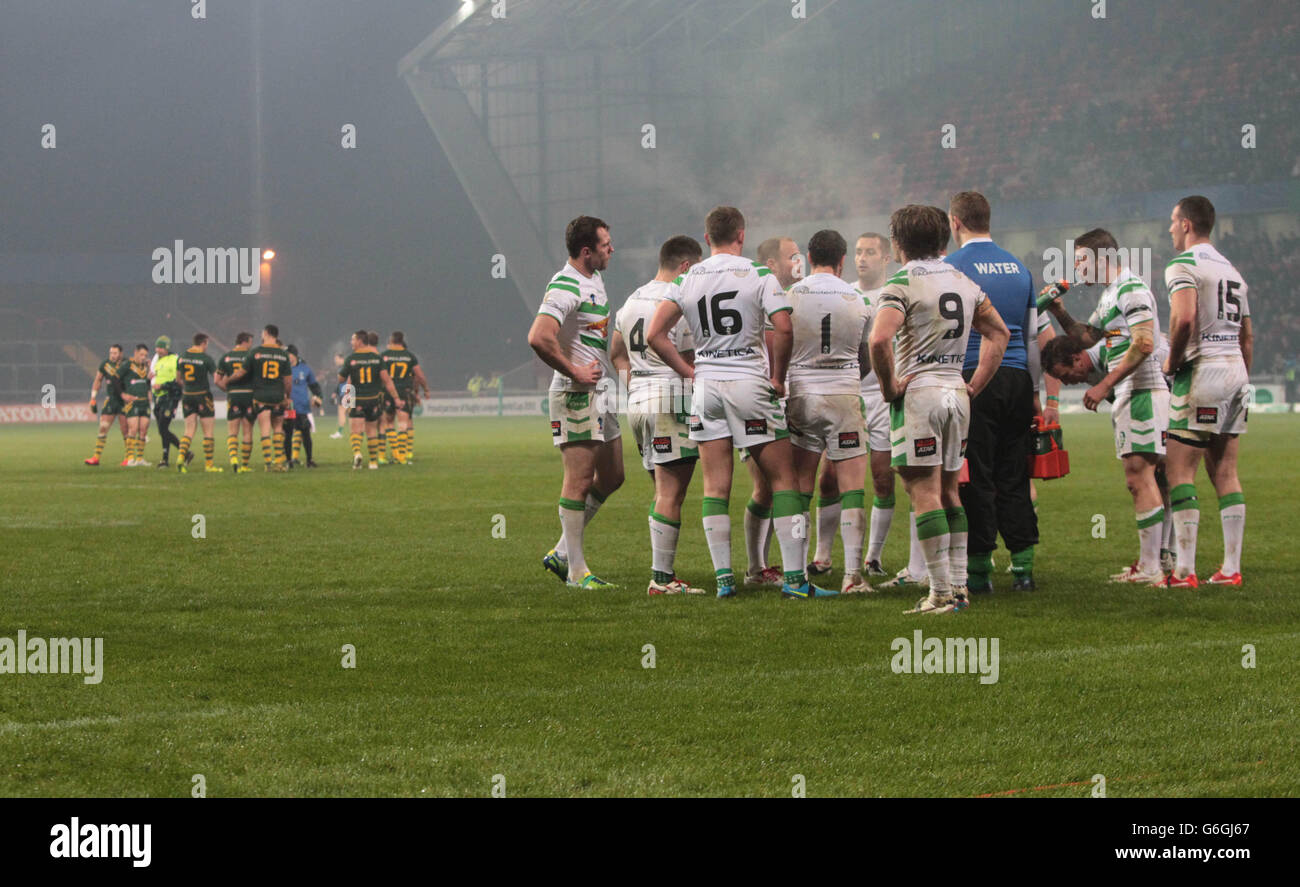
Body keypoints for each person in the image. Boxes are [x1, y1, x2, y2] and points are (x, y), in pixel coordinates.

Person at [648, 206, 831, 599]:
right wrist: (778, 377)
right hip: (748, 380)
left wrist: (687, 370)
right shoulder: (758, 274)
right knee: (783, 481)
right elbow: (783, 326)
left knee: (716, 486)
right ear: (741, 236)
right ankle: (797, 581)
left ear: (707, 235)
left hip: (707, 386)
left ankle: (724, 581)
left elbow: (654, 333)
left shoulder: (689, 277)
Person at [871, 205, 1009, 614]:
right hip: (955, 392)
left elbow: (879, 340)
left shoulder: (902, 280)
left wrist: (889, 387)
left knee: (923, 491)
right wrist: (975, 383)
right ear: (942, 241)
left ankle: (940, 594)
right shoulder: (965, 281)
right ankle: (959, 587)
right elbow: (998, 333)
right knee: (951, 490)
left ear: (897, 243)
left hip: (920, 394)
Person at [1040, 228, 1168, 582]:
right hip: (1131, 393)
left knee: (1139, 476)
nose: (1079, 269)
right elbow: (1086, 338)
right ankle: (1155, 562)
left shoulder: (1131, 289)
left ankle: (1151, 567)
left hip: (1141, 390)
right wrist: (1060, 312)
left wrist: (1104, 385)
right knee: (1146, 477)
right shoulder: (1112, 294)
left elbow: (1143, 344)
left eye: (1082, 260)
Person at [944, 190, 1038, 593]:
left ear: (955, 223)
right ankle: (1024, 568)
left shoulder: (951, 267)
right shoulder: (1020, 268)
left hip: (975, 376)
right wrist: (1036, 394)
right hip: (1018, 377)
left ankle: (979, 572)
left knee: (977, 476)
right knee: (1015, 474)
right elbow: (1032, 338)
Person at [527, 216, 624, 588]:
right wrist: (573, 371)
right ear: (586, 252)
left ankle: (561, 552)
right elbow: (539, 336)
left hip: (600, 393)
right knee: (579, 479)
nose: (611, 249)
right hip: (575, 394)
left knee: (613, 476)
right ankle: (576, 572)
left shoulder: (593, 278)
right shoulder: (565, 285)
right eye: (605, 245)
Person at [1160, 195, 1252, 587]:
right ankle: (1231, 568)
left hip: (1203, 369)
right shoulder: (1233, 271)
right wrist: (1241, 377)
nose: (1169, 229)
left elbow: (1183, 320)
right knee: (1227, 471)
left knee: (1179, 469)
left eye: (1172, 221)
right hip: (1236, 370)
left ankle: (1184, 570)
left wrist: (1171, 363)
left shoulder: (1183, 265)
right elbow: (1248, 337)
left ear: (1186, 224)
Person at [610, 234, 705, 595]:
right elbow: (691, 355)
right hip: (670, 398)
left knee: (662, 490)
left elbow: (616, 351)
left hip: (638, 402)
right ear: (685, 266)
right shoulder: (679, 300)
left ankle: (664, 572)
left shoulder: (633, 298)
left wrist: (632, 384)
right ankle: (662, 580)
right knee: (671, 492)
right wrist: (690, 376)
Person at [784, 229, 874, 595]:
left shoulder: (790, 296)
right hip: (843, 396)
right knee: (852, 488)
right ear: (842, 260)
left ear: (807, 256)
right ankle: (853, 575)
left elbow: (777, 347)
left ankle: (797, 573)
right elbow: (865, 359)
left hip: (802, 394)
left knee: (799, 488)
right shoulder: (858, 298)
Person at [742, 235, 803, 586]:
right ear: (771, 265)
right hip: (760, 399)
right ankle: (756, 567)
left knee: (779, 484)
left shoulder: (794, 296)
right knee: (767, 485)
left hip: (783, 400)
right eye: (790, 256)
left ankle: (770, 565)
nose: (798, 261)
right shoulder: (758, 298)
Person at [226, 325, 292, 471]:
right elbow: (288, 380)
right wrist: (287, 396)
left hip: (261, 396)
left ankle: (268, 463)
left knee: (265, 429)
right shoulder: (283, 355)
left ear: (266, 333)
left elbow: (241, 372)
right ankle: (280, 461)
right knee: (278, 429)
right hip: (277, 396)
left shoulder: (256, 352)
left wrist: (229, 380)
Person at [339, 330, 404, 470]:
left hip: (357, 398)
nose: (351, 343)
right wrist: (396, 398)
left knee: (355, 429)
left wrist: (347, 398)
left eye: (353, 340)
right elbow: (387, 381)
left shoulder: (351, 359)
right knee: (372, 430)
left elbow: (342, 379)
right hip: (373, 399)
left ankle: (357, 453)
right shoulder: (377, 359)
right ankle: (373, 462)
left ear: (360, 341)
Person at [380, 331, 430, 465]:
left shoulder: (384, 356)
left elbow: (379, 375)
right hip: (404, 392)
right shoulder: (409, 356)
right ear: (402, 341)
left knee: (389, 423)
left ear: (391, 340)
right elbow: (419, 376)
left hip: (388, 392)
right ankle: (402, 456)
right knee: (403, 424)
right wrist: (425, 389)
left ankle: (395, 454)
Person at [175, 333, 222, 473]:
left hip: (187, 395)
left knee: (189, 430)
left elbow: (178, 379)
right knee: (208, 432)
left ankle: (180, 458)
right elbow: (216, 378)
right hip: (202, 395)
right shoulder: (206, 359)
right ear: (204, 343)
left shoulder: (182, 357)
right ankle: (209, 465)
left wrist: (188, 387)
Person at [215, 332, 255, 472]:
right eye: (250, 342)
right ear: (245, 342)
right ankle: (244, 465)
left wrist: (228, 390)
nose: (251, 345)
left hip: (234, 396)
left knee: (232, 431)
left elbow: (216, 380)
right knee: (247, 431)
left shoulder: (226, 357)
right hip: (249, 396)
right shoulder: (251, 356)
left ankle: (233, 458)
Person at [85, 344, 128, 466]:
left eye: (115, 353)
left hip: (124, 400)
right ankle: (96, 457)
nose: (112, 356)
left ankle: (128, 458)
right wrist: (93, 397)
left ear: (121, 353)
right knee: (103, 427)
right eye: (111, 353)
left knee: (125, 430)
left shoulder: (128, 364)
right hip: (111, 400)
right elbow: (98, 379)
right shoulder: (105, 364)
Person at [286, 345, 323, 468]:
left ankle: (309, 460)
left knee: (306, 433)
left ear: (294, 355)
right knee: (288, 433)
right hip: (289, 408)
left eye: (289, 354)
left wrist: (318, 397)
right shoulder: (283, 369)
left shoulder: (305, 369)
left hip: (302, 408)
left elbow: (314, 386)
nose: (287, 357)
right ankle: (288, 461)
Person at [149, 335, 182, 467]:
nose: (158, 350)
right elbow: (154, 379)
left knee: (163, 428)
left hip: (171, 397)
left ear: (167, 348)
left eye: (161, 347)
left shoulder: (175, 359)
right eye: (157, 347)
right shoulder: (157, 361)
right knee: (162, 430)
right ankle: (165, 460)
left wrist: (163, 386)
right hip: (159, 398)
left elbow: (178, 381)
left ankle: (183, 452)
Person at [119, 344, 154, 467]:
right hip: (132, 402)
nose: (143, 357)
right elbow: (115, 379)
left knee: (143, 431)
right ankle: (129, 459)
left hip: (145, 402)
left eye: (145, 355)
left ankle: (139, 459)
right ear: (135, 353)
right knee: (133, 429)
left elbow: (146, 382)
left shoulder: (146, 367)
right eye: (141, 355)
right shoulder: (127, 365)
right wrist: (122, 395)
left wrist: (149, 390)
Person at [330, 353, 347, 439]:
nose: (335, 361)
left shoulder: (343, 368)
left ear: (341, 358)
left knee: (341, 412)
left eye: (336, 359)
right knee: (351, 414)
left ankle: (339, 433)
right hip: (349, 391)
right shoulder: (345, 366)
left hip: (345, 392)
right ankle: (356, 432)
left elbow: (342, 381)